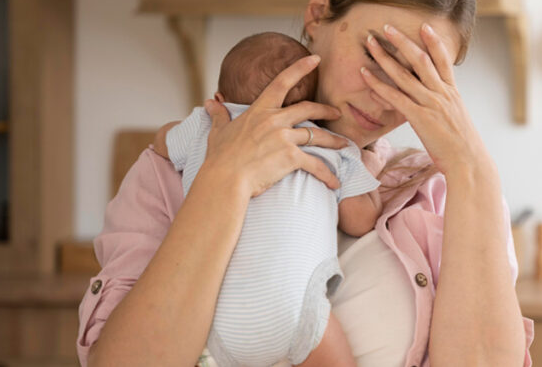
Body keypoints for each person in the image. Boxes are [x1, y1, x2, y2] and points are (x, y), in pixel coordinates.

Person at [76, 0, 534, 366]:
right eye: (378, 54)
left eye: (419, 76)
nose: (384, 95)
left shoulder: (441, 197)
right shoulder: (171, 174)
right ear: (318, 13)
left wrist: (472, 165)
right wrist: (224, 182)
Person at [155, 31, 384, 367]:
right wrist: (370, 170)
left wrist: (201, 121)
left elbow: (161, 143)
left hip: (214, 318)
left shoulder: (209, 126)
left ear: (220, 98)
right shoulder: (329, 143)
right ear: (311, 104)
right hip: (295, 310)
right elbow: (361, 221)